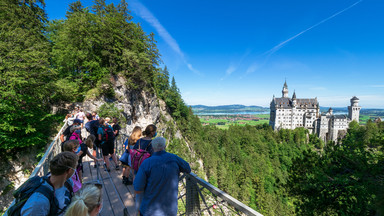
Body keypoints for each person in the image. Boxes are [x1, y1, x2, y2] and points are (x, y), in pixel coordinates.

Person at [134, 137, 191, 216]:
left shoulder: (147, 163)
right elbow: (187, 168)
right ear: (165, 147)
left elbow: (138, 188)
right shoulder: (174, 158)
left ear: (153, 148)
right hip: (170, 210)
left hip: (150, 210)